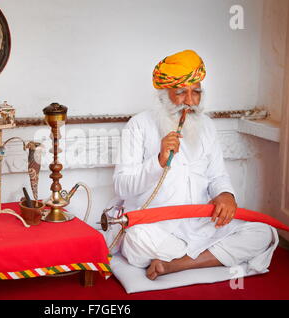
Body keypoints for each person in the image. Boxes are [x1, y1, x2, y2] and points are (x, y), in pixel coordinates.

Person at [113, 50, 278, 280]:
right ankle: (206, 257)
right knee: (135, 240)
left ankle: (176, 264)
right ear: (163, 93)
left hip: (200, 223)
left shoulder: (207, 126)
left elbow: (217, 175)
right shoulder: (139, 125)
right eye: (180, 93)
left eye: (196, 92)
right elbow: (122, 187)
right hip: (156, 226)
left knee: (264, 233)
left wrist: (226, 194)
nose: (190, 101)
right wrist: (158, 161)